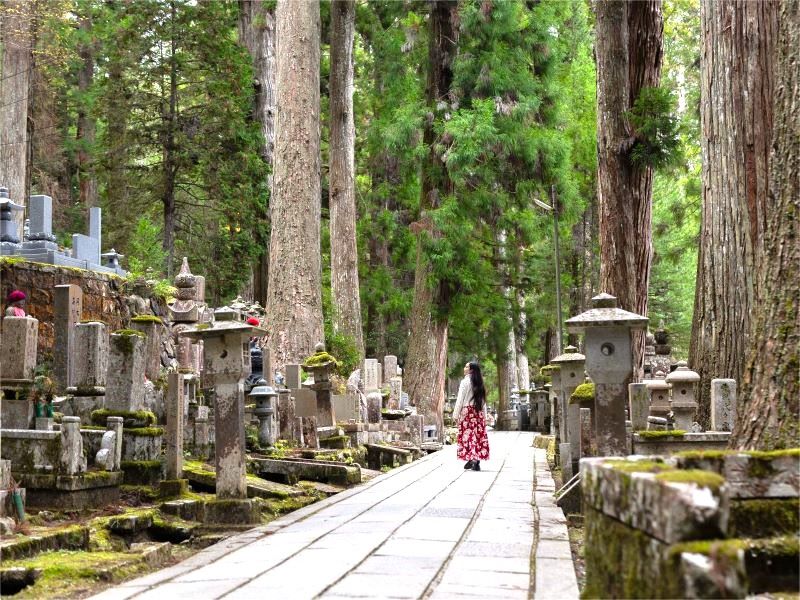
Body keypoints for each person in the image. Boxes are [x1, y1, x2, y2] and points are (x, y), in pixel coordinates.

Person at [453, 361, 490, 471]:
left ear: (471, 370)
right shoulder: (479, 383)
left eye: (466, 366)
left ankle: (472, 458)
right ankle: (475, 460)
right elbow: (483, 402)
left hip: (467, 412)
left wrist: (455, 414)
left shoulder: (465, 382)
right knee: (477, 435)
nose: (464, 368)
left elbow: (460, 399)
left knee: (468, 435)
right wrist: (485, 416)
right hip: (478, 412)